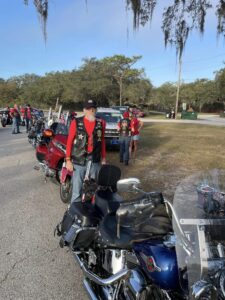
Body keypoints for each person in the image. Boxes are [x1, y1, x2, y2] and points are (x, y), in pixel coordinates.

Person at [65, 99, 106, 203]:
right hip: (79, 159)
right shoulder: (76, 122)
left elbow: (103, 142)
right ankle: (75, 211)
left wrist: (104, 158)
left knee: (94, 189)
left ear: (95, 110)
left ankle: (91, 212)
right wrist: (68, 160)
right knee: (77, 190)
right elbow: (69, 141)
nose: (91, 111)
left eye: (93, 108)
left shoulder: (101, 123)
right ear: (84, 110)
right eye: (88, 108)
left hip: (95, 160)